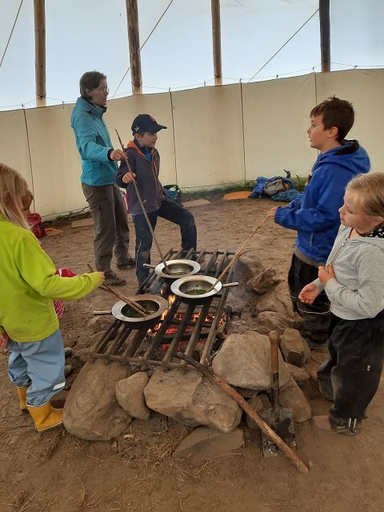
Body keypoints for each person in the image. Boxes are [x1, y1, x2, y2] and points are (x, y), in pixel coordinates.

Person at [0, 163, 104, 432]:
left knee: (21, 356)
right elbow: (46, 285)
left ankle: (24, 397)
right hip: (34, 321)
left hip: (10, 321)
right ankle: (42, 413)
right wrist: (89, 281)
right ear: (10, 199)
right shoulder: (20, 238)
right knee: (49, 366)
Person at [267, 97, 370, 348]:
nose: (308, 130)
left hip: (320, 247)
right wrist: (294, 203)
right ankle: (310, 326)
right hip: (309, 242)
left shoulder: (337, 170)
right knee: (298, 284)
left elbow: (326, 216)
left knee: (312, 294)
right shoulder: (329, 158)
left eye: (314, 124)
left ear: (332, 131)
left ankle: (317, 340)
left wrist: (283, 216)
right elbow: (314, 194)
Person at [299, 172, 384, 435]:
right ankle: (329, 386)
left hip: (364, 326)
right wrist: (319, 284)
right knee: (336, 350)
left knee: (356, 374)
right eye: (343, 203)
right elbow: (336, 264)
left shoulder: (373, 254)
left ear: (376, 219)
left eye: (349, 209)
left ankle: (346, 420)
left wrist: (330, 284)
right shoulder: (349, 226)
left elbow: (370, 306)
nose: (340, 210)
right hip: (343, 314)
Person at [116, 114, 197, 285]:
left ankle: (188, 258)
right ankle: (143, 278)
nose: (156, 137)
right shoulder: (129, 155)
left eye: (156, 133)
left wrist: (164, 194)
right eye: (151, 133)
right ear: (138, 136)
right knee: (144, 242)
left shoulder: (154, 153)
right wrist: (125, 177)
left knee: (187, 218)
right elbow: (119, 177)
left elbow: (154, 178)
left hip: (159, 200)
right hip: (142, 207)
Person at [71, 71, 135, 287]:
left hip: (107, 177)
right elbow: (87, 147)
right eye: (102, 88)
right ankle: (104, 273)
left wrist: (112, 154)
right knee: (105, 227)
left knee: (121, 220)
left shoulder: (95, 112)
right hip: (95, 182)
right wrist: (109, 153)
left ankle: (123, 258)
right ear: (88, 91)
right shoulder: (83, 116)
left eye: (106, 88)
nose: (107, 92)